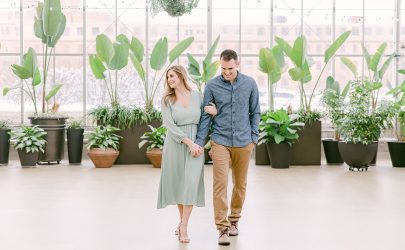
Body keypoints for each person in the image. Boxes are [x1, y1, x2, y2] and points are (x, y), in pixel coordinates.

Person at [195, 49, 260, 246]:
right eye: (223, 68)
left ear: (237, 64)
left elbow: (255, 112)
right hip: (220, 140)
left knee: (240, 185)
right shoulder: (212, 85)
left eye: (230, 69)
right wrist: (199, 141)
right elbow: (206, 114)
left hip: (243, 141)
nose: (227, 72)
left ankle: (234, 221)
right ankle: (222, 228)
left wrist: (253, 138)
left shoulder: (249, 84)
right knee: (220, 184)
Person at [157, 65, 217, 243]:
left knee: (190, 183)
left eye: (172, 76)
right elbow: (169, 125)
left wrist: (215, 113)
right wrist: (189, 143)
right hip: (176, 144)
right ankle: (182, 222)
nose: (170, 80)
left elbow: (205, 118)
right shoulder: (167, 100)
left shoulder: (197, 96)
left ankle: (183, 226)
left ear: (181, 76)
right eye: (168, 77)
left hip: (195, 146)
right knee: (179, 184)